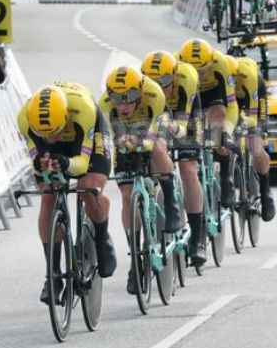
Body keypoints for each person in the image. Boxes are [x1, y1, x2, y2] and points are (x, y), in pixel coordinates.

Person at [17, 83, 117, 305]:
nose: (51, 138)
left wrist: (67, 163)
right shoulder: (25, 118)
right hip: (56, 139)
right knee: (48, 197)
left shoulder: (83, 109)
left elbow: (81, 164)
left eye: (55, 132)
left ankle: (102, 238)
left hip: (86, 140)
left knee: (88, 187)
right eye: (45, 134)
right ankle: (52, 274)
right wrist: (40, 163)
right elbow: (36, 160)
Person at [99, 66, 183, 294]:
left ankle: (171, 201)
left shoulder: (154, 93)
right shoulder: (105, 104)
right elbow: (106, 137)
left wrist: (141, 140)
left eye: (130, 98)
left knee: (158, 147)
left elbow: (156, 131)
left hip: (153, 125)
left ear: (140, 91)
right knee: (127, 197)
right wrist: (120, 141)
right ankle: (135, 258)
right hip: (123, 134)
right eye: (117, 99)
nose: (123, 105)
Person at [141, 51, 206, 266]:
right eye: (155, 83)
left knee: (188, 169)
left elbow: (181, 129)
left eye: (166, 82)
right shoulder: (144, 90)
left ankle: (197, 238)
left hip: (184, 115)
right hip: (159, 112)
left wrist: (169, 128)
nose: (161, 87)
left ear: (175, 76)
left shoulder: (186, 78)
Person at [176, 39, 239, 211]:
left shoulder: (220, 63)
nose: (198, 75)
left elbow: (232, 105)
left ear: (211, 63)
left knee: (219, 116)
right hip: (188, 95)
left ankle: (226, 177)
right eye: (194, 71)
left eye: (203, 71)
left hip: (211, 93)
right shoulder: (175, 65)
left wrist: (227, 132)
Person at [225, 56, 276, 221]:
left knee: (256, 147)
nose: (231, 82)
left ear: (237, 75)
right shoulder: (220, 79)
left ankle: (265, 189)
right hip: (231, 100)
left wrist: (243, 121)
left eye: (233, 80)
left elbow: (253, 118)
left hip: (253, 97)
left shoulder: (249, 76)